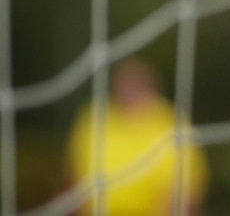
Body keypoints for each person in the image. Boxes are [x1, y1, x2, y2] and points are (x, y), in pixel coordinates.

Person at [65, 58, 209, 216]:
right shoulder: (94, 117)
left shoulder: (172, 124)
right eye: (124, 86)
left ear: (152, 89)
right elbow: (73, 179)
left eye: (136, 86)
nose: (128, 92)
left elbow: (184, 194)